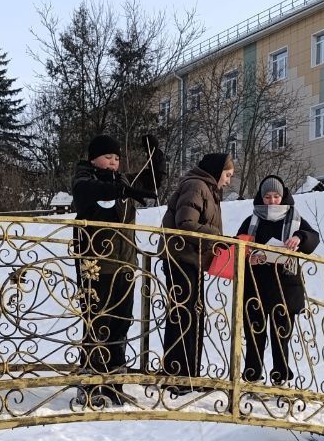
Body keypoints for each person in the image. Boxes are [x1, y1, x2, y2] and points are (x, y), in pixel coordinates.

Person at [70, 134, 163, 406]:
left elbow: (151, 181)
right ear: (93, 158)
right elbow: (88, 191)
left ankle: (114, 382)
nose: (113, 163)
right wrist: (119, 189)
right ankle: (90, 383)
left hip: (124, 265)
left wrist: (155, 155)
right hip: (95, 266)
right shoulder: (84, 178)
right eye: (108, 157)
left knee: (121, 323)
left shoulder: (121, 180)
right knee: (97, 322)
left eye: (117, 159)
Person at [235, 175, 320, 386]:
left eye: (276, 196)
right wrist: (249, 257)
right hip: (256, 285)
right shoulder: (252, 220)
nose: (272, 201)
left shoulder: (295, 218)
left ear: (283, 196)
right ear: (261, 198)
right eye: (267, 196)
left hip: (285, 285)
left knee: (281, 334)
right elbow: (238, 245)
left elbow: (313, 238)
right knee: (254, 331)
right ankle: (252, 374)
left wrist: (299, 237)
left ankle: (280, 375)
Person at [159, 152, 234, 391]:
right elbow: (186, 224)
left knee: (192, 314)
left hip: (192, 258)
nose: (228, 181)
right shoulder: (196, 186)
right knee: (184, 315)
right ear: (216, 171)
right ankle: (178, 376)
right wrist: (217, 237)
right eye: (227, 175)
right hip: (181, 258)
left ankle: (188, 374)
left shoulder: (207, 189)